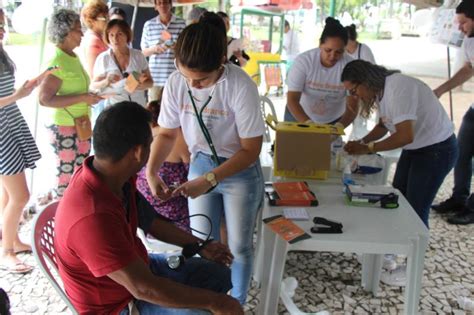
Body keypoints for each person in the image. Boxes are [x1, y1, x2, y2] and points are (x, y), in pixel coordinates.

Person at [54, 101, 243, 314]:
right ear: (138, 151)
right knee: (203, 311)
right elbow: (143, 288)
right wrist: (216, 302)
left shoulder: (111, 174)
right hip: (117, 305)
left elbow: (150, 221)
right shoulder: (92, 217)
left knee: (218, 275)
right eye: (150, 142)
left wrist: (198, 245)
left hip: (140, 267)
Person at [146, 21, 265, 304]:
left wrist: (210, 180)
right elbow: (166, 133)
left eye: (201, 80)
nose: (193, 85)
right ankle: (209, 302)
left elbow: (251, 150)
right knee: (202, 243)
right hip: (200, 163)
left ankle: (235, 303)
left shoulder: (241, 85)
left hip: (240, 171)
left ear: (222, 62)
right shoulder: (177, 82)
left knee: (238, 246)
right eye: (187, 76)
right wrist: (152, 170)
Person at [342, 60, 458, 228]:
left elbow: (404, 136)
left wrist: (368, 148)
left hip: (437, 150)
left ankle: (415, 251)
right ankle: (395, 244)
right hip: (415, 149)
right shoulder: (381, 90)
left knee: (416, 208)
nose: (355, 96)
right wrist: (361, 142)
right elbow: (384, 125)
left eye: (354, 91)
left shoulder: (398, 87)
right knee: (397, 197)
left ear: (365, 81)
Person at [39, 9, 103, 198]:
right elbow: (44, 99)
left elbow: (75, 90)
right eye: (77, 29)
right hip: (64, 127)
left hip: (79, 124)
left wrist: (88, 96)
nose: (82, 33)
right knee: (65, 176)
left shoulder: (71, 56)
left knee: (79, 174)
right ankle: (62, 215)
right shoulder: (57, 59)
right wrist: (83, 98)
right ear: (64, 32)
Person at [0, 8, 41, 274]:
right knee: (20, 195)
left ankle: (11, 238)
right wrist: (18, 95)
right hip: (2, 129)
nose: (2, 29)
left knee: (7, 193)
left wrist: (23, 90)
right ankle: (7, 252)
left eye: (2, 24)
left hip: (9, 123)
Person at [431, 0, 474, 225]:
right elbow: (468, 69)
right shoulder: (469, 42)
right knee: (462, 153)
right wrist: (441, 89)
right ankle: (459, 198)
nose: (460, 28)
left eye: (464, 22)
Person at [284, 17, 357, 129]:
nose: (333, 56)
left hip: (334, 120)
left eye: (339, 52)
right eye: (328, 50)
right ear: (320, 45)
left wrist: (339, 127)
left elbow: (352, 106)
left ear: (345, 49)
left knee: (328, 146)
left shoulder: (350, 66)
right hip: (298, 114)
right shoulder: (304, 61)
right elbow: (292, 99)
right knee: (292, 146)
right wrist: (309, 125)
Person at [136, 91, 191, 232]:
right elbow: (197, 179)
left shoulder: (146, 131)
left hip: (145, 223)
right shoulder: (179, 138)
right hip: (175, 225)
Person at [91, 19, 153, 107]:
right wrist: (106, 81)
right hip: (114, 109)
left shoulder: (138, 55)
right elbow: (93, 86)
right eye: (111, 35)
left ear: (127, 35)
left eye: (119, 34)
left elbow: (150, 82)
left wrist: (138, 85)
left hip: (137, 107)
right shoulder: (103, 58)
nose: (115, 39)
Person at [141, 0, 186, 102]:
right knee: (153, 111)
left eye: (165, 2)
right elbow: (143, 52)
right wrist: (154, 49)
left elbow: (186, 49)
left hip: (175, 77)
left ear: (170, 4)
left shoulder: (181, 23)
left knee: (175, 110)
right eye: (159, 3)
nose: (162, 5)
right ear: (155, 6)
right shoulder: (149, 25)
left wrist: (176, 47)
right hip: (155, 78)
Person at [81, 0, 109, 77]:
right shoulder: (94, 41)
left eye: (108, 17)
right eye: (104, 18)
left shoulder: (97, 37)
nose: (107, 21)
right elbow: (94, 75)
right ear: (91, 21)